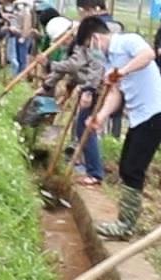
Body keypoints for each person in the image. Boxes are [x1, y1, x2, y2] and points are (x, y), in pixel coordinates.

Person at [85, 19, 161, 239]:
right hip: (138, 118)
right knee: (125, 167)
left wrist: (122, 71)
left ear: (95, 38)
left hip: (154, 115)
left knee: (134, 168)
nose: (91, 52)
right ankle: (124, 221)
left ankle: (126, 225)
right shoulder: (108, 60)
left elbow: (148, 55)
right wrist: (101, 116)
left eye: (89, 46)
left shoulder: (127, 41)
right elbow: (115, 94)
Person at [46, 16, 110, 187]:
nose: (63, 43)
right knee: (82, 127)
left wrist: (88, 90)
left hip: (95, 88)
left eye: (63, 39)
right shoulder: (81, 40)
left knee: (86, 128)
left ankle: (94, 172)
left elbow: (91, 66)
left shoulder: (86, 41)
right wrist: (49, 84)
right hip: (89, 87)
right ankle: (88, 167)